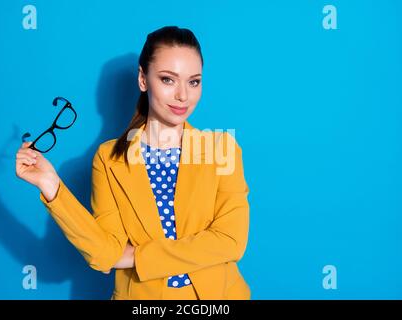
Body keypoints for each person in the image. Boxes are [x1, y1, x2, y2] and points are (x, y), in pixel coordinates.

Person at [15, 26, 251, 300]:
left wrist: (136, 256)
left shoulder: (222, 149)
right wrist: (51, 185)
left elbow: (231, 242)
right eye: (168, 79)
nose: (183, 96)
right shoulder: (109, 159)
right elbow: (104, 254)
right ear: (143, 79)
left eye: (194, 81)